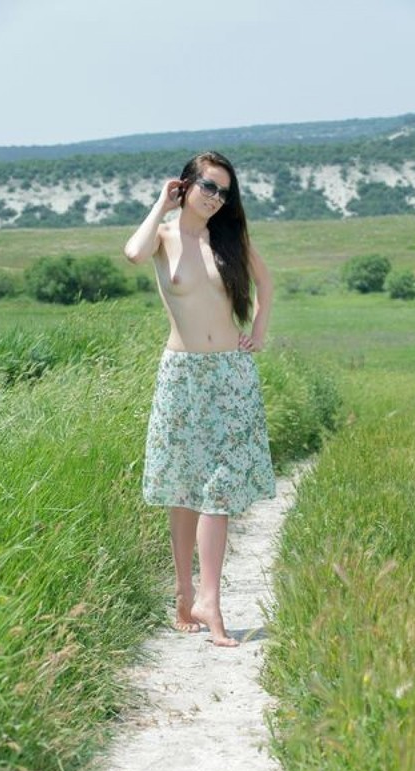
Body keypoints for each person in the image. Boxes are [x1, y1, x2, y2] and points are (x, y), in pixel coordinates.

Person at [124, 151, 275, 647]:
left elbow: (266, 283)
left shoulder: (229, 240)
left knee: (220, 486)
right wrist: (161, 204)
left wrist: (258, 332)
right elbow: (133, 253)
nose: (216, 198)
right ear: (185, 185)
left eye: (224, 192)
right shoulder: (165, 238)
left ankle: (210, 599)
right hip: (182, 375)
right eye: (208, 186)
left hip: (231, 374)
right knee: (183, 485)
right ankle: (184, 592)